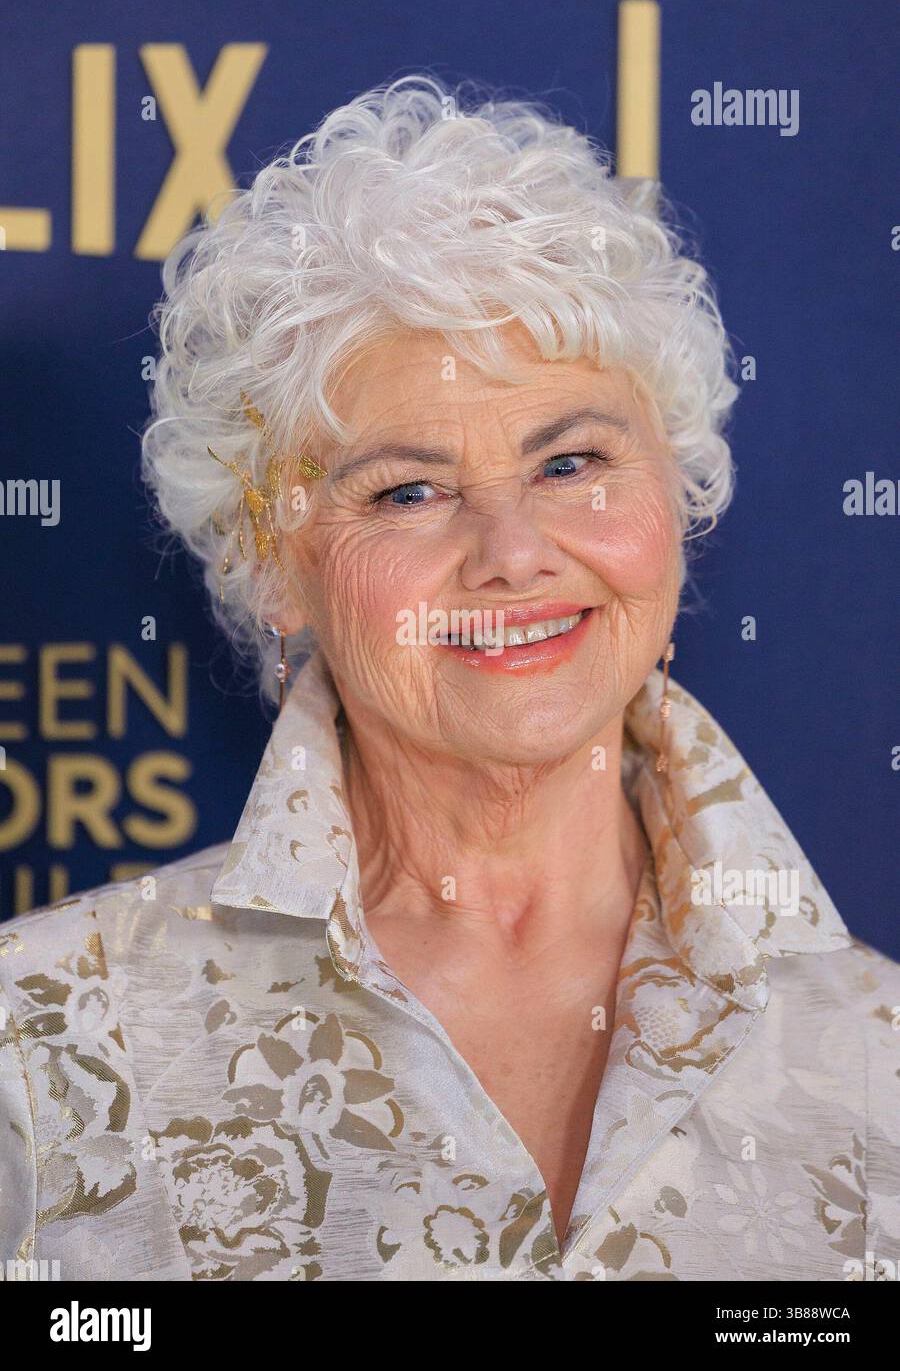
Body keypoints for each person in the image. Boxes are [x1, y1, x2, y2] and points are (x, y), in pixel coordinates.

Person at [1, 76, 897, 1283]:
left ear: (675, 505)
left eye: (571, 460)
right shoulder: (40, 1037)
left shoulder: (877, 1055)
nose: (513, 552)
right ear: (277, 564)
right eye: (407, 492)